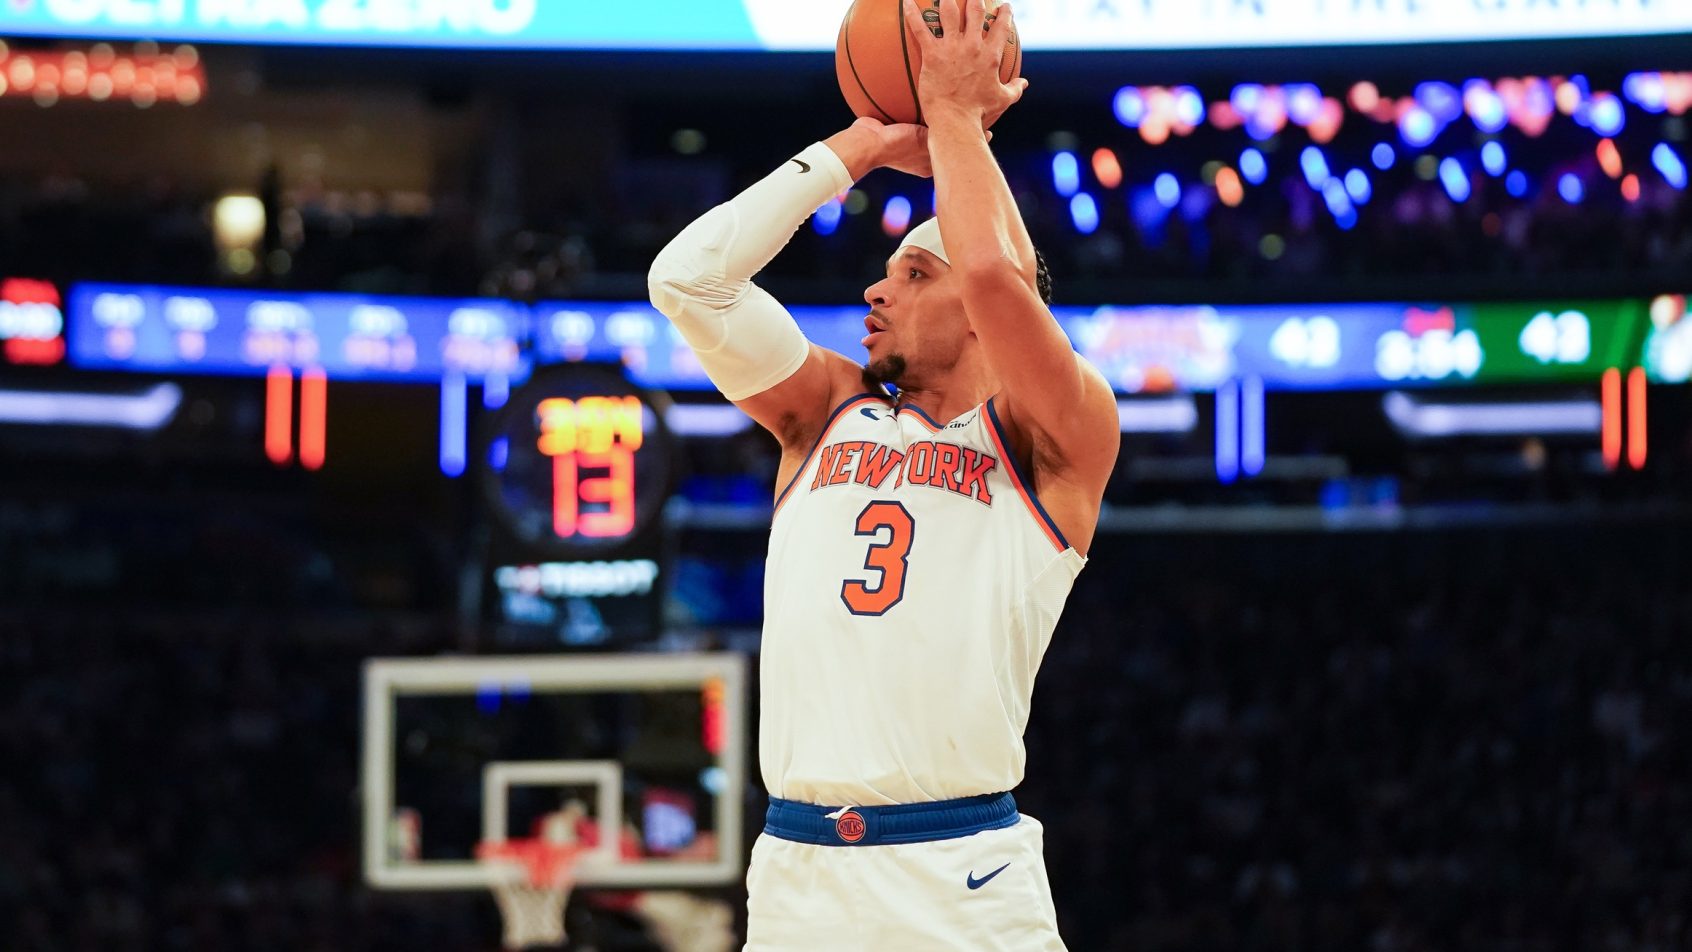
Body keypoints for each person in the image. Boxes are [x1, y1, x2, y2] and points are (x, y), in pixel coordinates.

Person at [647, 2, 1118, 947]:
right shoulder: (826, 405)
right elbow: (686, 282)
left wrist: (951, 116)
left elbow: (993, 274)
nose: (875, 288)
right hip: (798, 876)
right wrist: (856, 148)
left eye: (910, 272)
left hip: (960, 876)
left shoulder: (1055, 431)